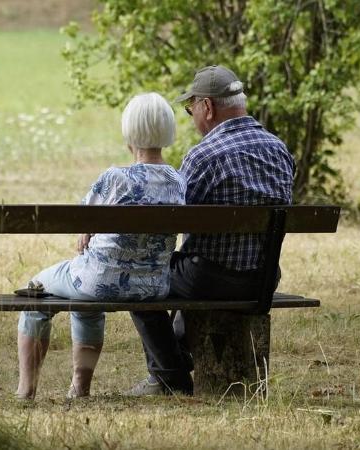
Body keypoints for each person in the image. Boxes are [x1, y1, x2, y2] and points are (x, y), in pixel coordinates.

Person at [125, 65, 296, 396]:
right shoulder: (279, 150)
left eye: (191, 110)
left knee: (138, 277)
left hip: (210, 279)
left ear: (207, 106)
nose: (192, 117)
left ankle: (169, 377)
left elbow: (172, 221)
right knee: (188, 266)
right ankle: (177, 356)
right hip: (262, 279)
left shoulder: (203, 156)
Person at [16, 92, 187, 400]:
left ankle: (26, 390)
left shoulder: (115, 178)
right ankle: (79, 387)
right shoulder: (178, 181)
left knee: (36, 289)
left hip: (99, 282)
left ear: (129, 132)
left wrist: (88, 232)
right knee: (85, 295)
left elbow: (81, 226)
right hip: (153, 287)